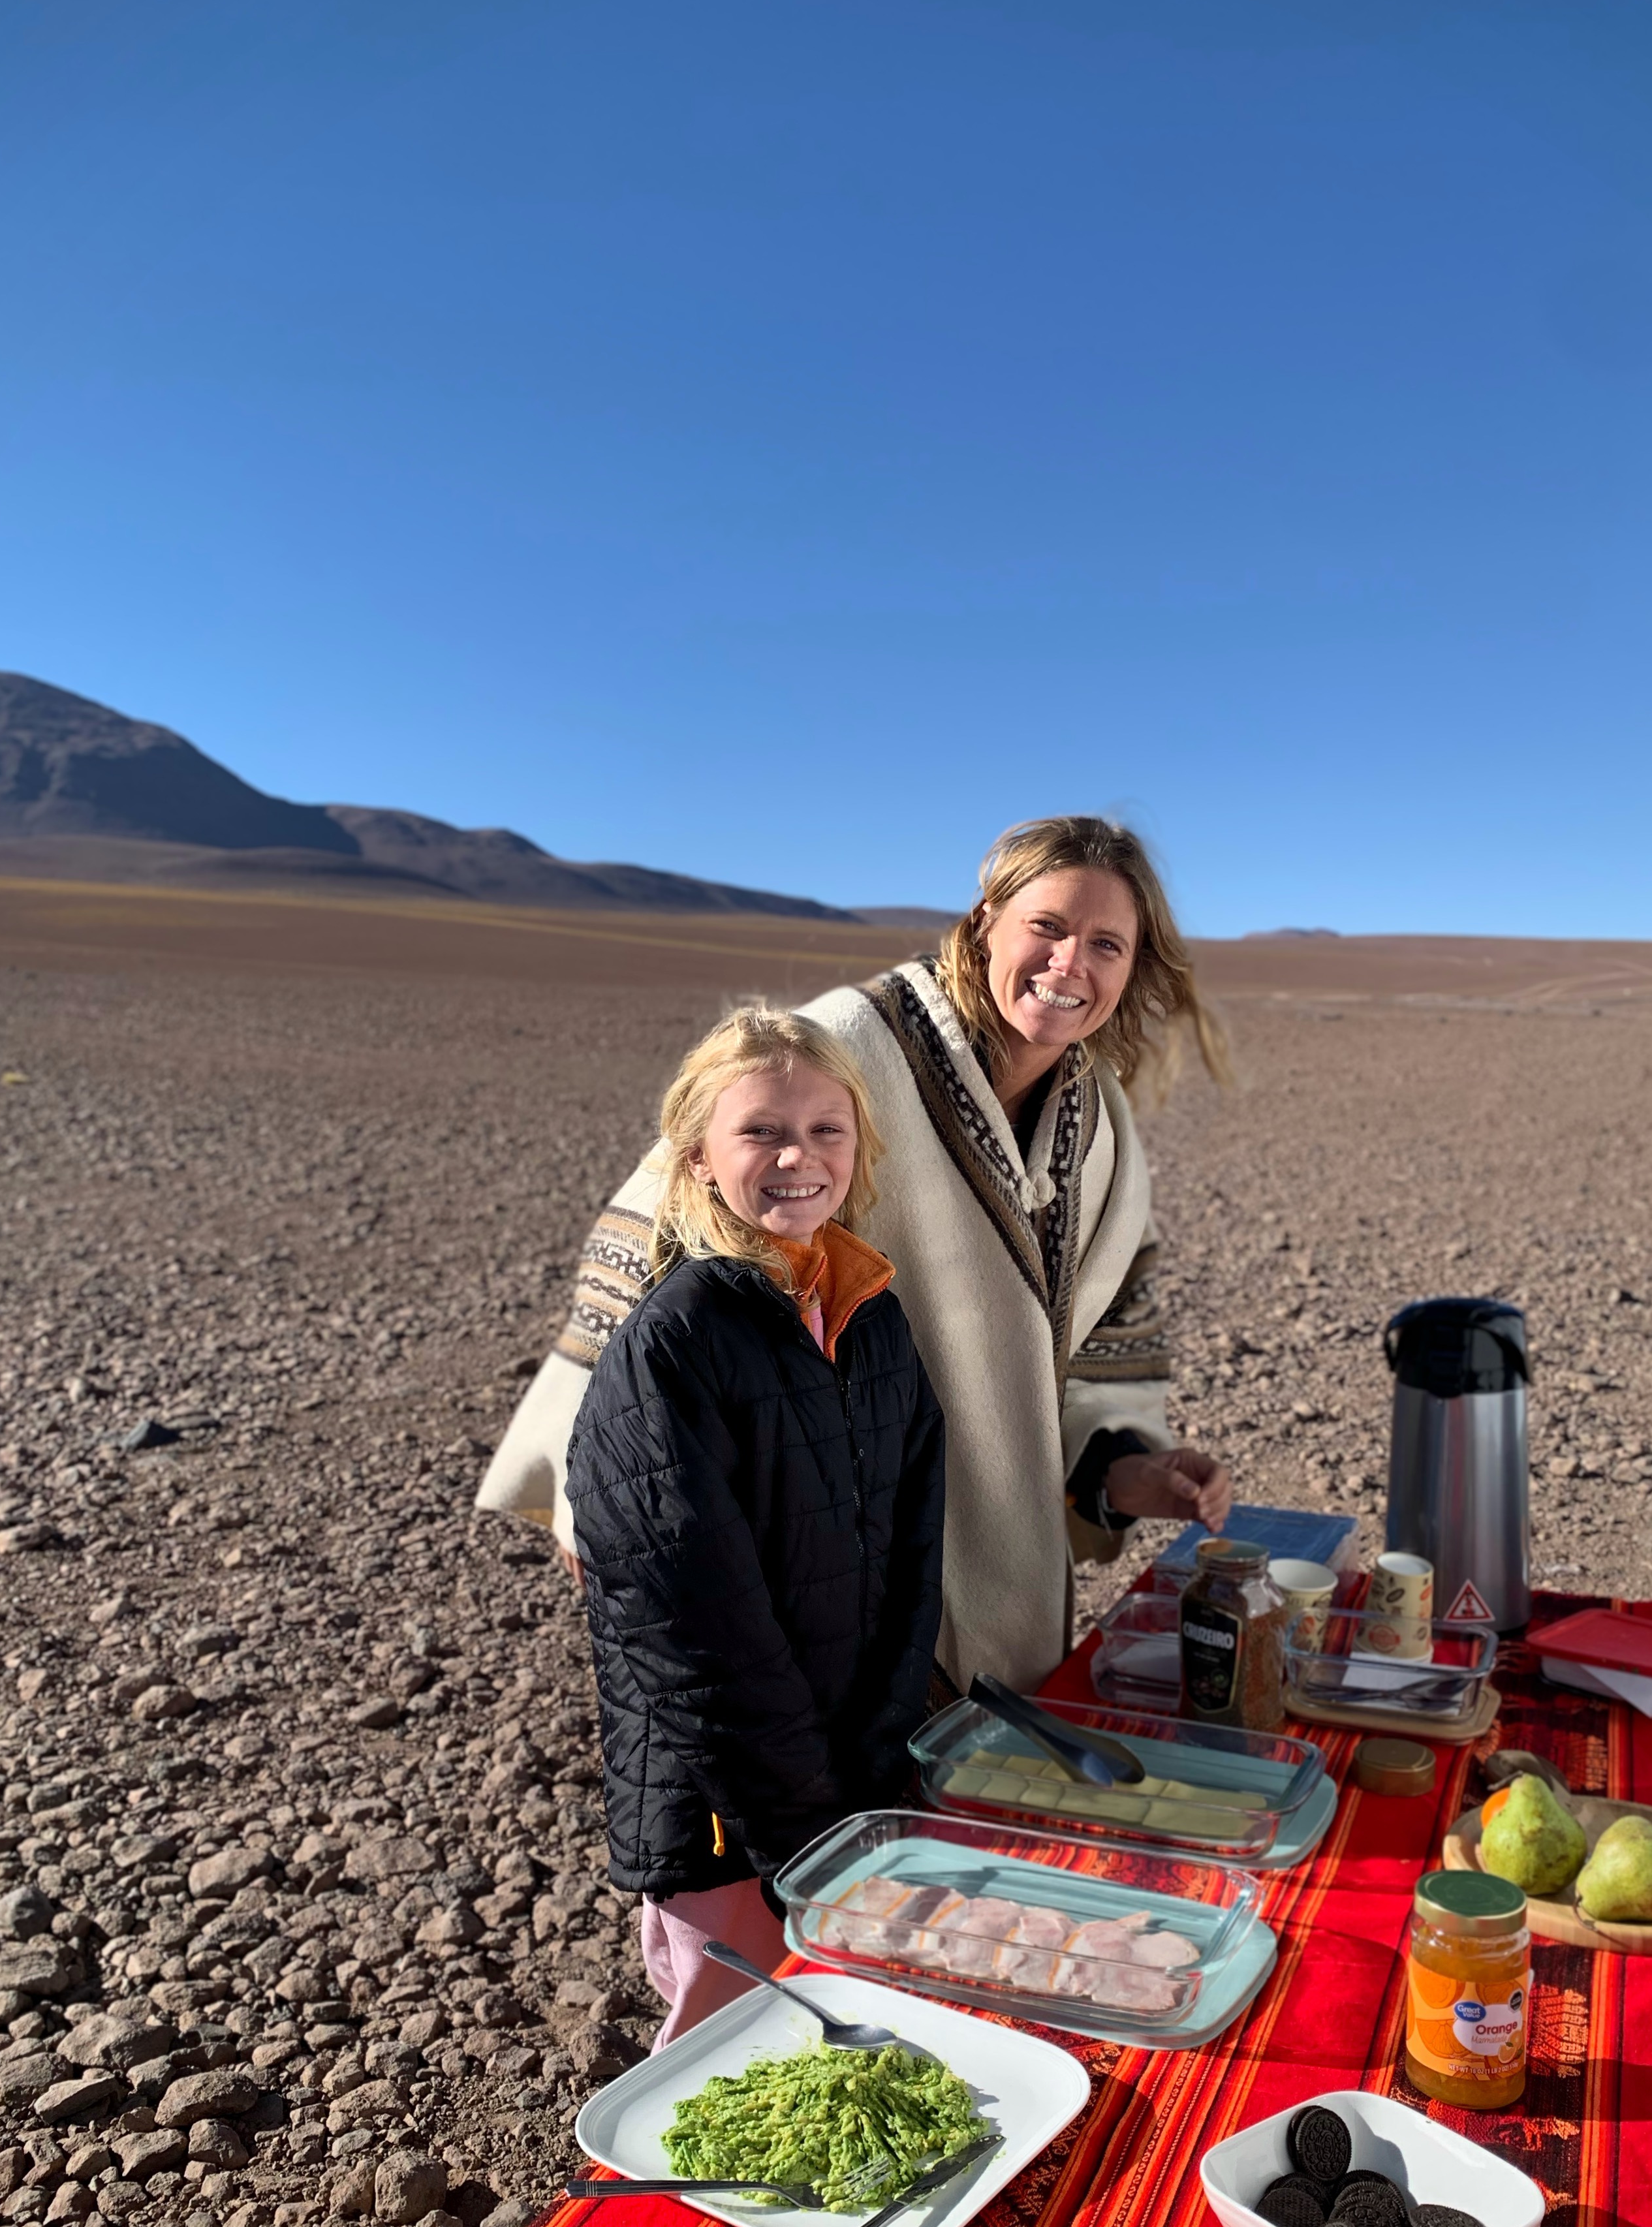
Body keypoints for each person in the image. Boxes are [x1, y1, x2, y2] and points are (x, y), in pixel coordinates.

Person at [483, 813, 1233, 1696]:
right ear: (984, 921)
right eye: (1047, 926)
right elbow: (666, 1212)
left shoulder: (1100, 1120)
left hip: (1004, 1537)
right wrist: (605, 1485)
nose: (1070, 963)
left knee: (982, 1767)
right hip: (819, 1537)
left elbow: (1101, 1323)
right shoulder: (846, 1042)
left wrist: (1122, 1468)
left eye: (1106, 944)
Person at [564, 1006, 945, 2042]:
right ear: (698, 1156)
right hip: (728, 1812)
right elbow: (692, 1628)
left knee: (848, 2041)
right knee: (737, 2060)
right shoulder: (675, 1344)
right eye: (761, 1132)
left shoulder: (870, 1314)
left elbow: (916, 1550)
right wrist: (800, 1825)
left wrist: (876, 1756)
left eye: (826, 1130)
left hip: (847, 1782)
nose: (797, 1158)